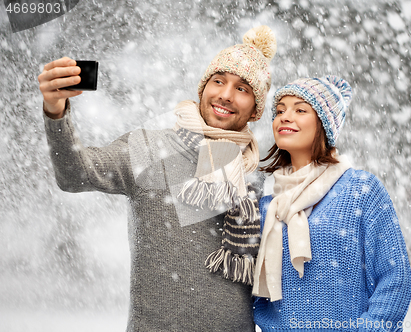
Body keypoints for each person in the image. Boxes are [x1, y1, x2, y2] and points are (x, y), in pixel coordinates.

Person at [38, 26, 277, 332]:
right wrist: (56, 112)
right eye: (219, 81)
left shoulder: (251, 172)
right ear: (203, 88)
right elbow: (75, 174)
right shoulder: (149, 148)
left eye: (243, 89)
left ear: (256, 110)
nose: (226, 95)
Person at [252, 76, 411, 331]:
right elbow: (249, 293)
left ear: (324, 124)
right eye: (280, 110)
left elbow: (395, 278)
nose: (284, 116)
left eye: (300, 109)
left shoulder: (361, 189)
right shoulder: (267, 207)